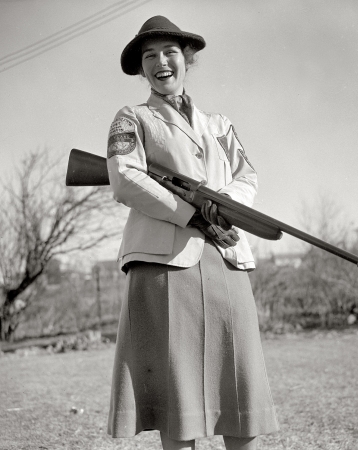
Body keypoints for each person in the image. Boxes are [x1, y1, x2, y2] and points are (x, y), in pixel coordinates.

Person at [106, 16, 280, 450]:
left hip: (225, 259)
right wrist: (190, 213)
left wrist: (218, 205)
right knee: (176, 403)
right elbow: (125, 179)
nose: (161, 62)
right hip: (165, 264)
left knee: (240, 394)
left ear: (187, 60)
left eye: (170, 53)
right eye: (150, 56)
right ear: (141, 69)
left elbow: (248, 176)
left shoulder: (219, 124)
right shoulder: (133, 118)